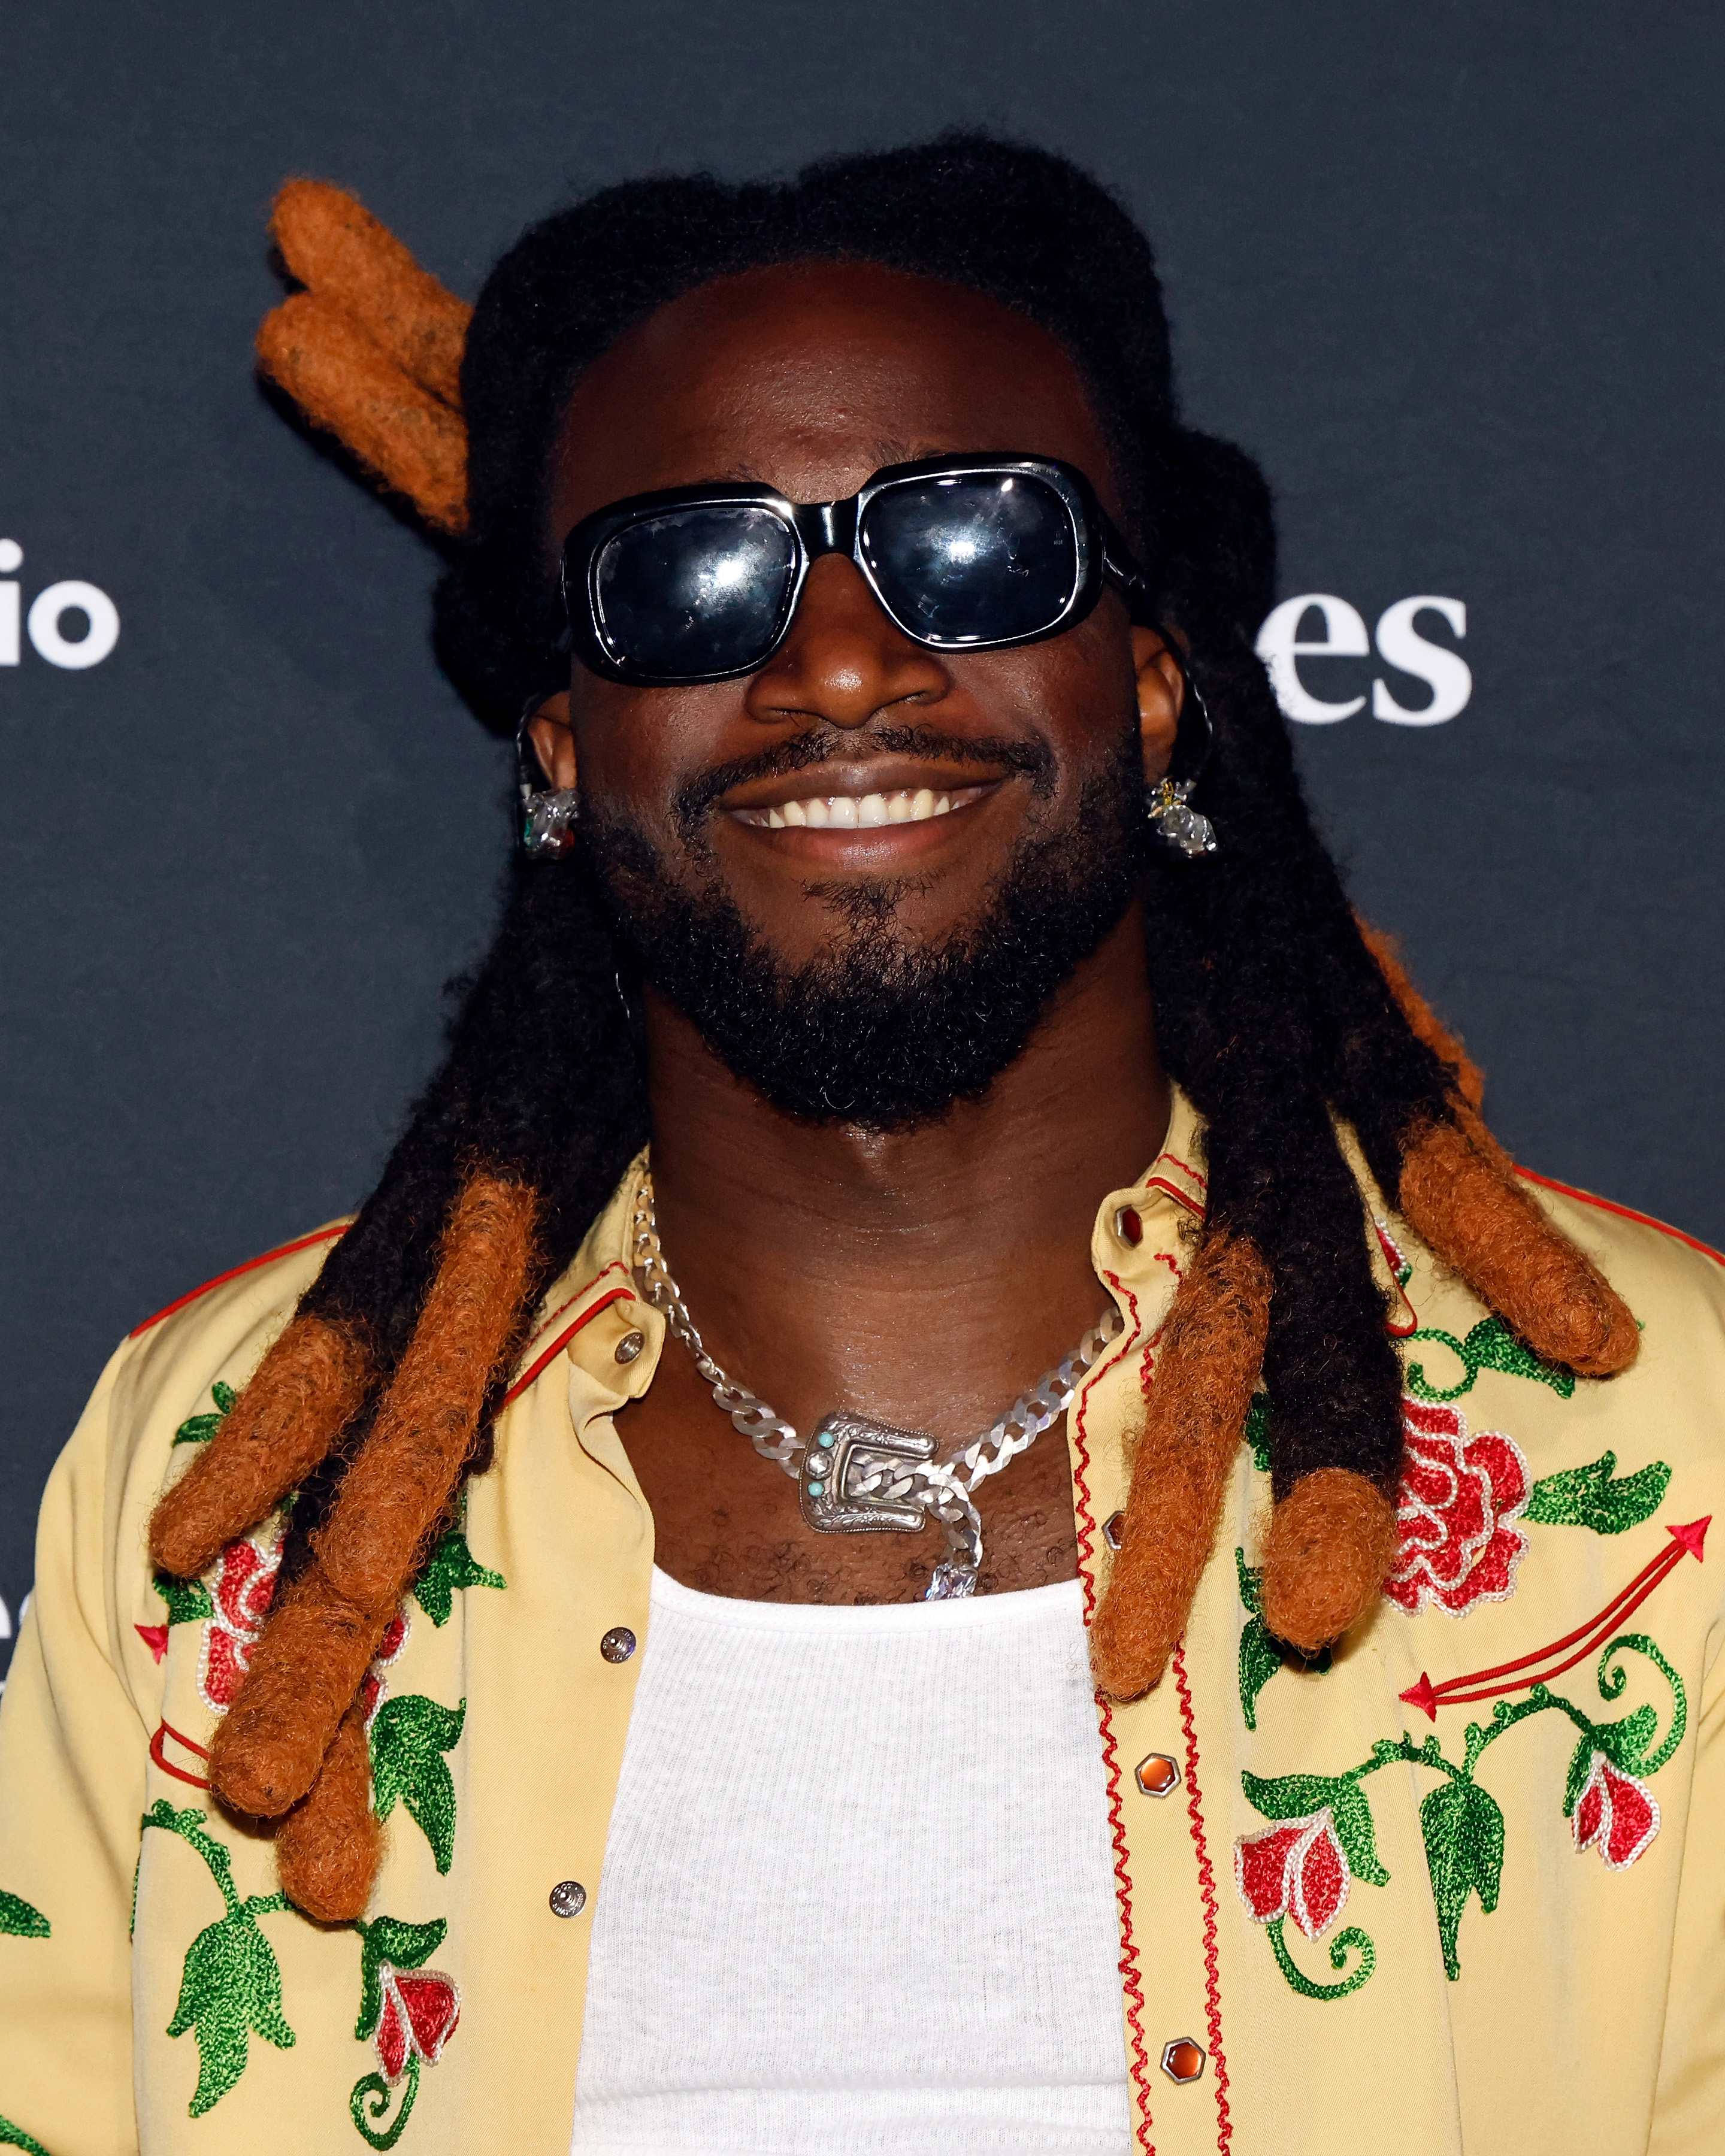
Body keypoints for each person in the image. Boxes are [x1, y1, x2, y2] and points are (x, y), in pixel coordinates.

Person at [0, 136, 1718, 2156]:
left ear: (1154, 686)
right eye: (693, 576)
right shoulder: (211, 1487)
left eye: (977, 545)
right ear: (562, 747)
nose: (839, 664)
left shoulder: (1661, 1471)